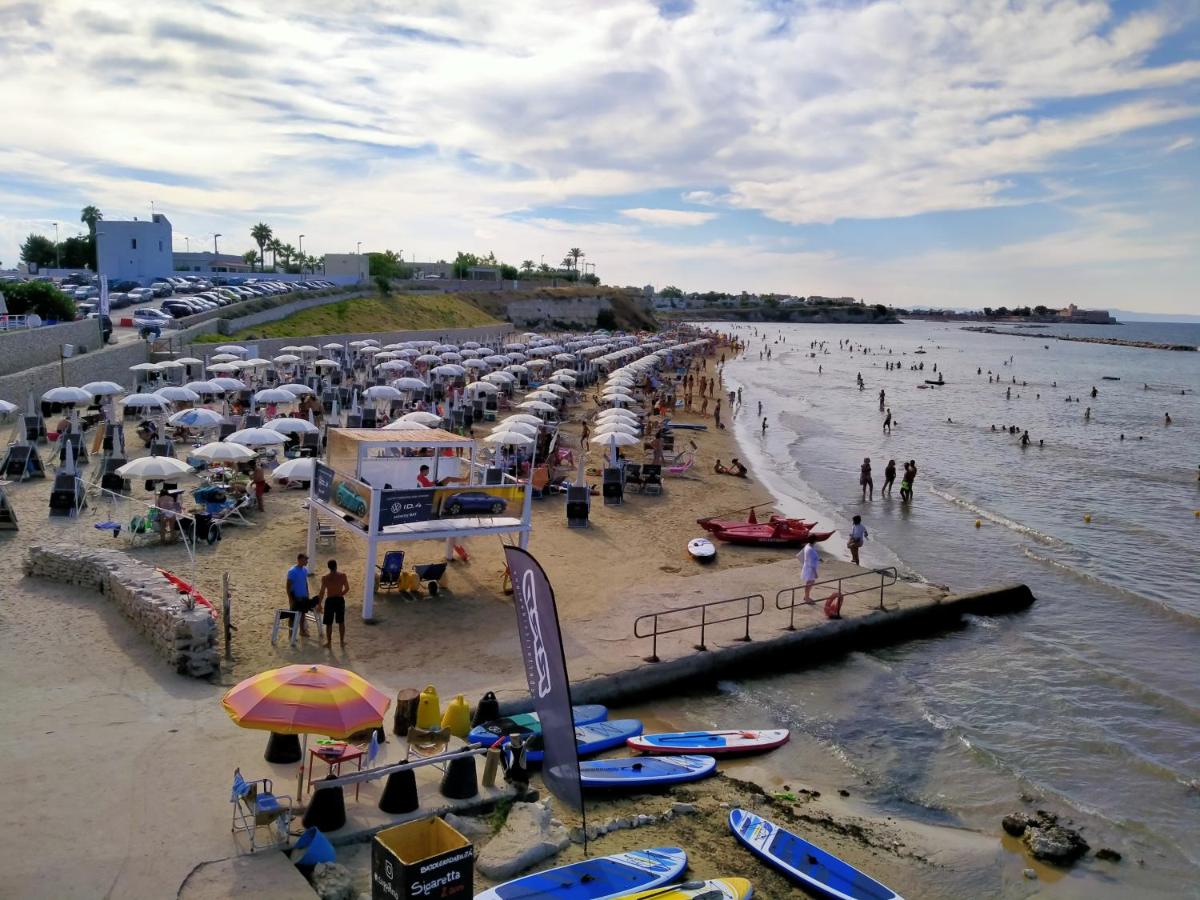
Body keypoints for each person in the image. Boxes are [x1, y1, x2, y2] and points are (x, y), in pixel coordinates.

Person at [317, 559, 350, 648]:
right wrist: (341, 594)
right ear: (336, 566)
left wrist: (319, 604)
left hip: (330, 601)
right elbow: (347, 588)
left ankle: (329, 643)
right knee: (341, 622)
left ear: (328, 567)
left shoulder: (325, 578)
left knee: (329, 623)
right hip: (339, 600)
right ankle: (342, 642)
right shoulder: (342, 576)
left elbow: (322, 592)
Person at [286, 553, 317, 637]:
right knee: (292, 616)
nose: (307, 561)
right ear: (299, 560)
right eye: (305, 559)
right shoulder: (292, 571)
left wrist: (307, 593)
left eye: (307, 559)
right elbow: (288, 586)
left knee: (303, 614)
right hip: (295, 597)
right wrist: (290, 599)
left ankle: (302, 631)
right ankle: (290, 633)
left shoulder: (305, 570)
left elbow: (305, 582)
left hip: (303, 597)